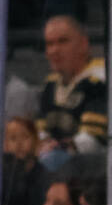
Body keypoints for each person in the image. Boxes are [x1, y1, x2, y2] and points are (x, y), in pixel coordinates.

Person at [37, 15, 108, 166]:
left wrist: (56, 149)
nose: (54, 50)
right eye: (49, 44)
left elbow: (91, 142)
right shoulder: (51, 84)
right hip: (56, 160)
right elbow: (40, 131)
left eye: (63, 41)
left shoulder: (100, 80)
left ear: (83, 44)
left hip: (95, 168)